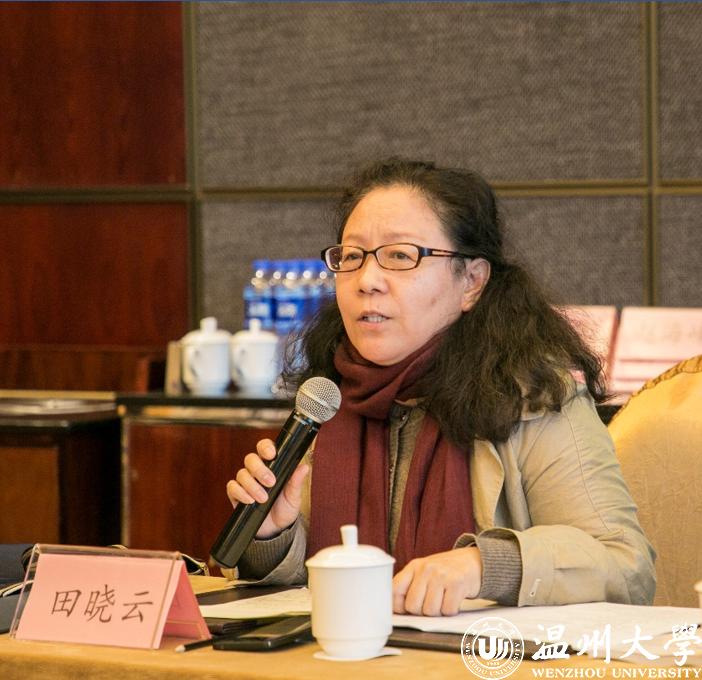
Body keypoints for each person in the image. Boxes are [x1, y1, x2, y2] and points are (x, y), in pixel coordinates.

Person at [225, 158, 655, 615]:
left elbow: (625, 567)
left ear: (471, 282)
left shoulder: (535, 399)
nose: (367, 281)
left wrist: (484, 566)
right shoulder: (330, 397)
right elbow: (322, 582)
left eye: (400, 256)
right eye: (351, 257)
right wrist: (273, 536)